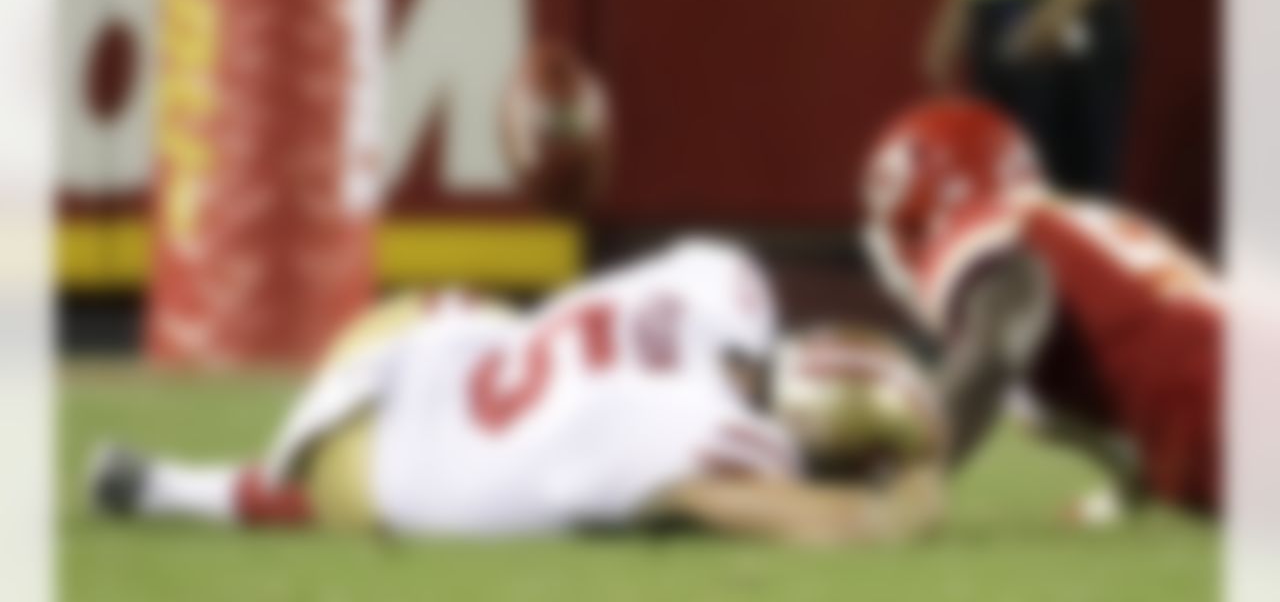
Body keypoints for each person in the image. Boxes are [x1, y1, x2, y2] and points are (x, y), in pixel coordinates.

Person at [91, 238, 943, 545]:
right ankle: (196, 487)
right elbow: (813, 522)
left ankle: (171, 484)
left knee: (510, 350)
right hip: (372, 471)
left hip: (405, 333)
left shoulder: (720, 282)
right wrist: (909, 490)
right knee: (467, 475)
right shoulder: (700, 439)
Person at [857, 97, 1220, 520]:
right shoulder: (1062, 222)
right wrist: (1123, 498)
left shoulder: (979, 227)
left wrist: (905, 479)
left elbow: (999, 345)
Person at [923, 0, 1165, 194]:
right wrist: (962, 3)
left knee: (1062, 186)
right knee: (999, 183)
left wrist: (1060, 12)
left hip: (1069, 6)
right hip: (996, 10)